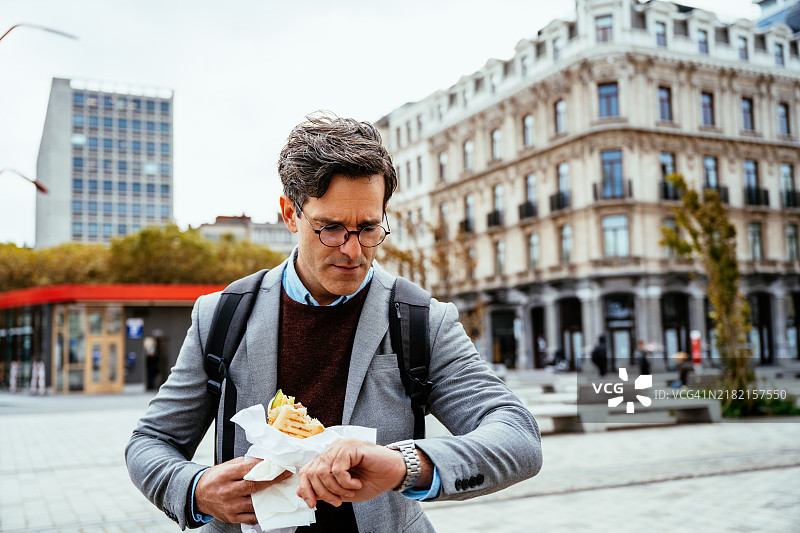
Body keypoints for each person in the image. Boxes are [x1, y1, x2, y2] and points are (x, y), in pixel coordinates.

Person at [125, 113, 542, 532]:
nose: (353, 250)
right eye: (331, 228)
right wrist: (196, 489)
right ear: (290, 214)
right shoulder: (222, 316)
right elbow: (150, 442)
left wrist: (405, 465)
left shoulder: (422, 320)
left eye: (368, 228)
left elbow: (518, 438)